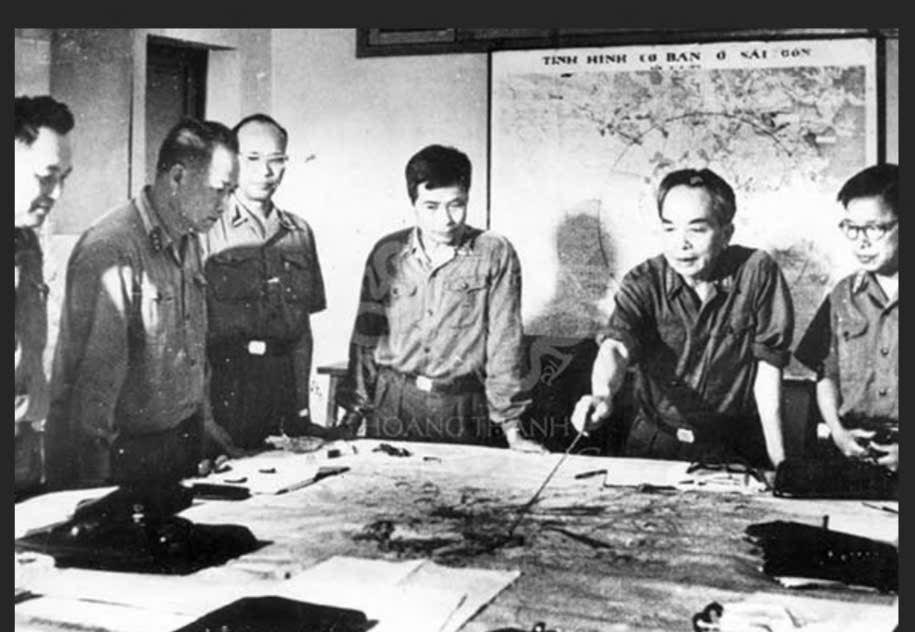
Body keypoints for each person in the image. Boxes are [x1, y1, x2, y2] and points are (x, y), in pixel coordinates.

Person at [44, 118, 239, 490]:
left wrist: (207, 428)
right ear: (177, 177)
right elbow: (93, 390)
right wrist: (94, 488)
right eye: (219, 190)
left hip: (178, 448)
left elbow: (192, 351)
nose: (225, 205)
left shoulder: (189, 240)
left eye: (231, 192)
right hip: (123, 460)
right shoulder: (112, 249)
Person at [572, 168, 794, 469]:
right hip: (655, 444)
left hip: (734, 446)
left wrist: (780, 461)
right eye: (670, 229)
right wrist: (601, 395)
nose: (681, 243)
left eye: (697, 230)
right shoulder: (643, 282)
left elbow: (768, 368)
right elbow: (616, 346)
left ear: (726, 234)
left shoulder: (757, 272)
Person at [336, 144, 544, 452]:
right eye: (431, 207)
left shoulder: (495, 252)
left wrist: (512, 429)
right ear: (414, 203)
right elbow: (365, 338)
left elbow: (505, 343)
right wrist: (352, 416)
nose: (446, 219)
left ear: (468, 198)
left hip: (462, 408)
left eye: (456, 205)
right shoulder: (387, 252)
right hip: (394, 403)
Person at [200, 113, 330, 450]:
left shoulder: (298, 232)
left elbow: (302, 331)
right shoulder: (207, 228)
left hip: (282, 382)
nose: (266, 171)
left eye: (276, 160)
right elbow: (190, 332)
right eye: (253, 159)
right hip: (226, 383)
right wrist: (204, 416)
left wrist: (301, 407)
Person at [795, 164, 898, 472]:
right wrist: (838, 432)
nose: (861, 241)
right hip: (850, 447)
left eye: (874, 228)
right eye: (852, 228)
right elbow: (826, 374)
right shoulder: (843, 295)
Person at [15, 95, 74, 497]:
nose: (56, 194)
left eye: (64, 178)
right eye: (46, 176)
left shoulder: (27, 244)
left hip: (24, 451)